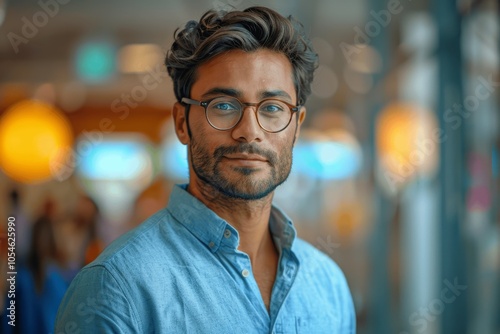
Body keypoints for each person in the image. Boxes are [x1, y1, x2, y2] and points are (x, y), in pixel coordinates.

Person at [55, 6, 356, 333]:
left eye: (272, 108)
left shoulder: (328, 284)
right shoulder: (116, 288)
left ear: (296, 126)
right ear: (182, 123)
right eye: (224, 106)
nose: (249, 130)